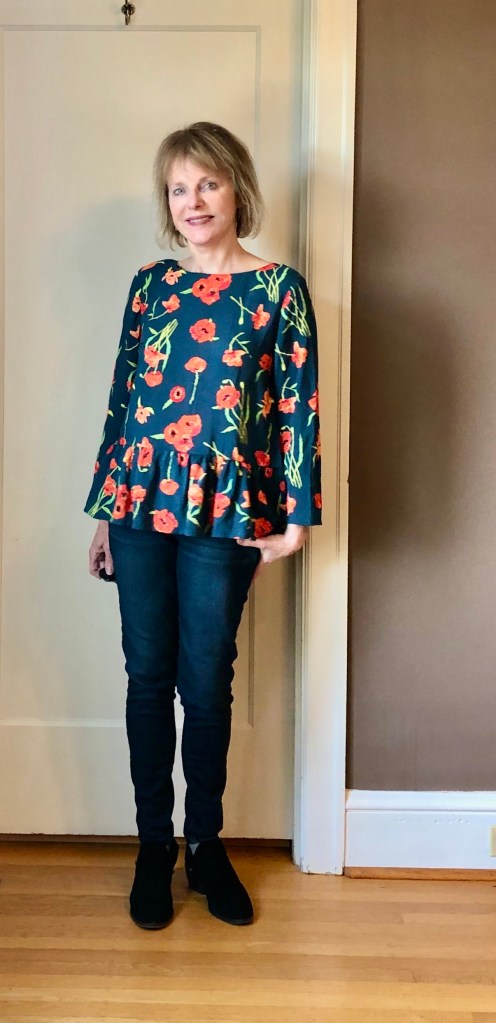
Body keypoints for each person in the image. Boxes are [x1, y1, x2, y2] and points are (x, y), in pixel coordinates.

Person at [85, 121, 321, 929]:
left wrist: (296, 518)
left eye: (208, 183)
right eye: (179, 188)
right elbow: (124, 398)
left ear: (236, 190)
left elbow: (296, 407)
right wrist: (104, 510)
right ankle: (154, 846)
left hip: (228, 510)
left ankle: (206, 845)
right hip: (137, 505)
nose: (193, 201)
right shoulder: (150, 285)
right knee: (147, 677)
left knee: (207, 680)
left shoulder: (278, 289)